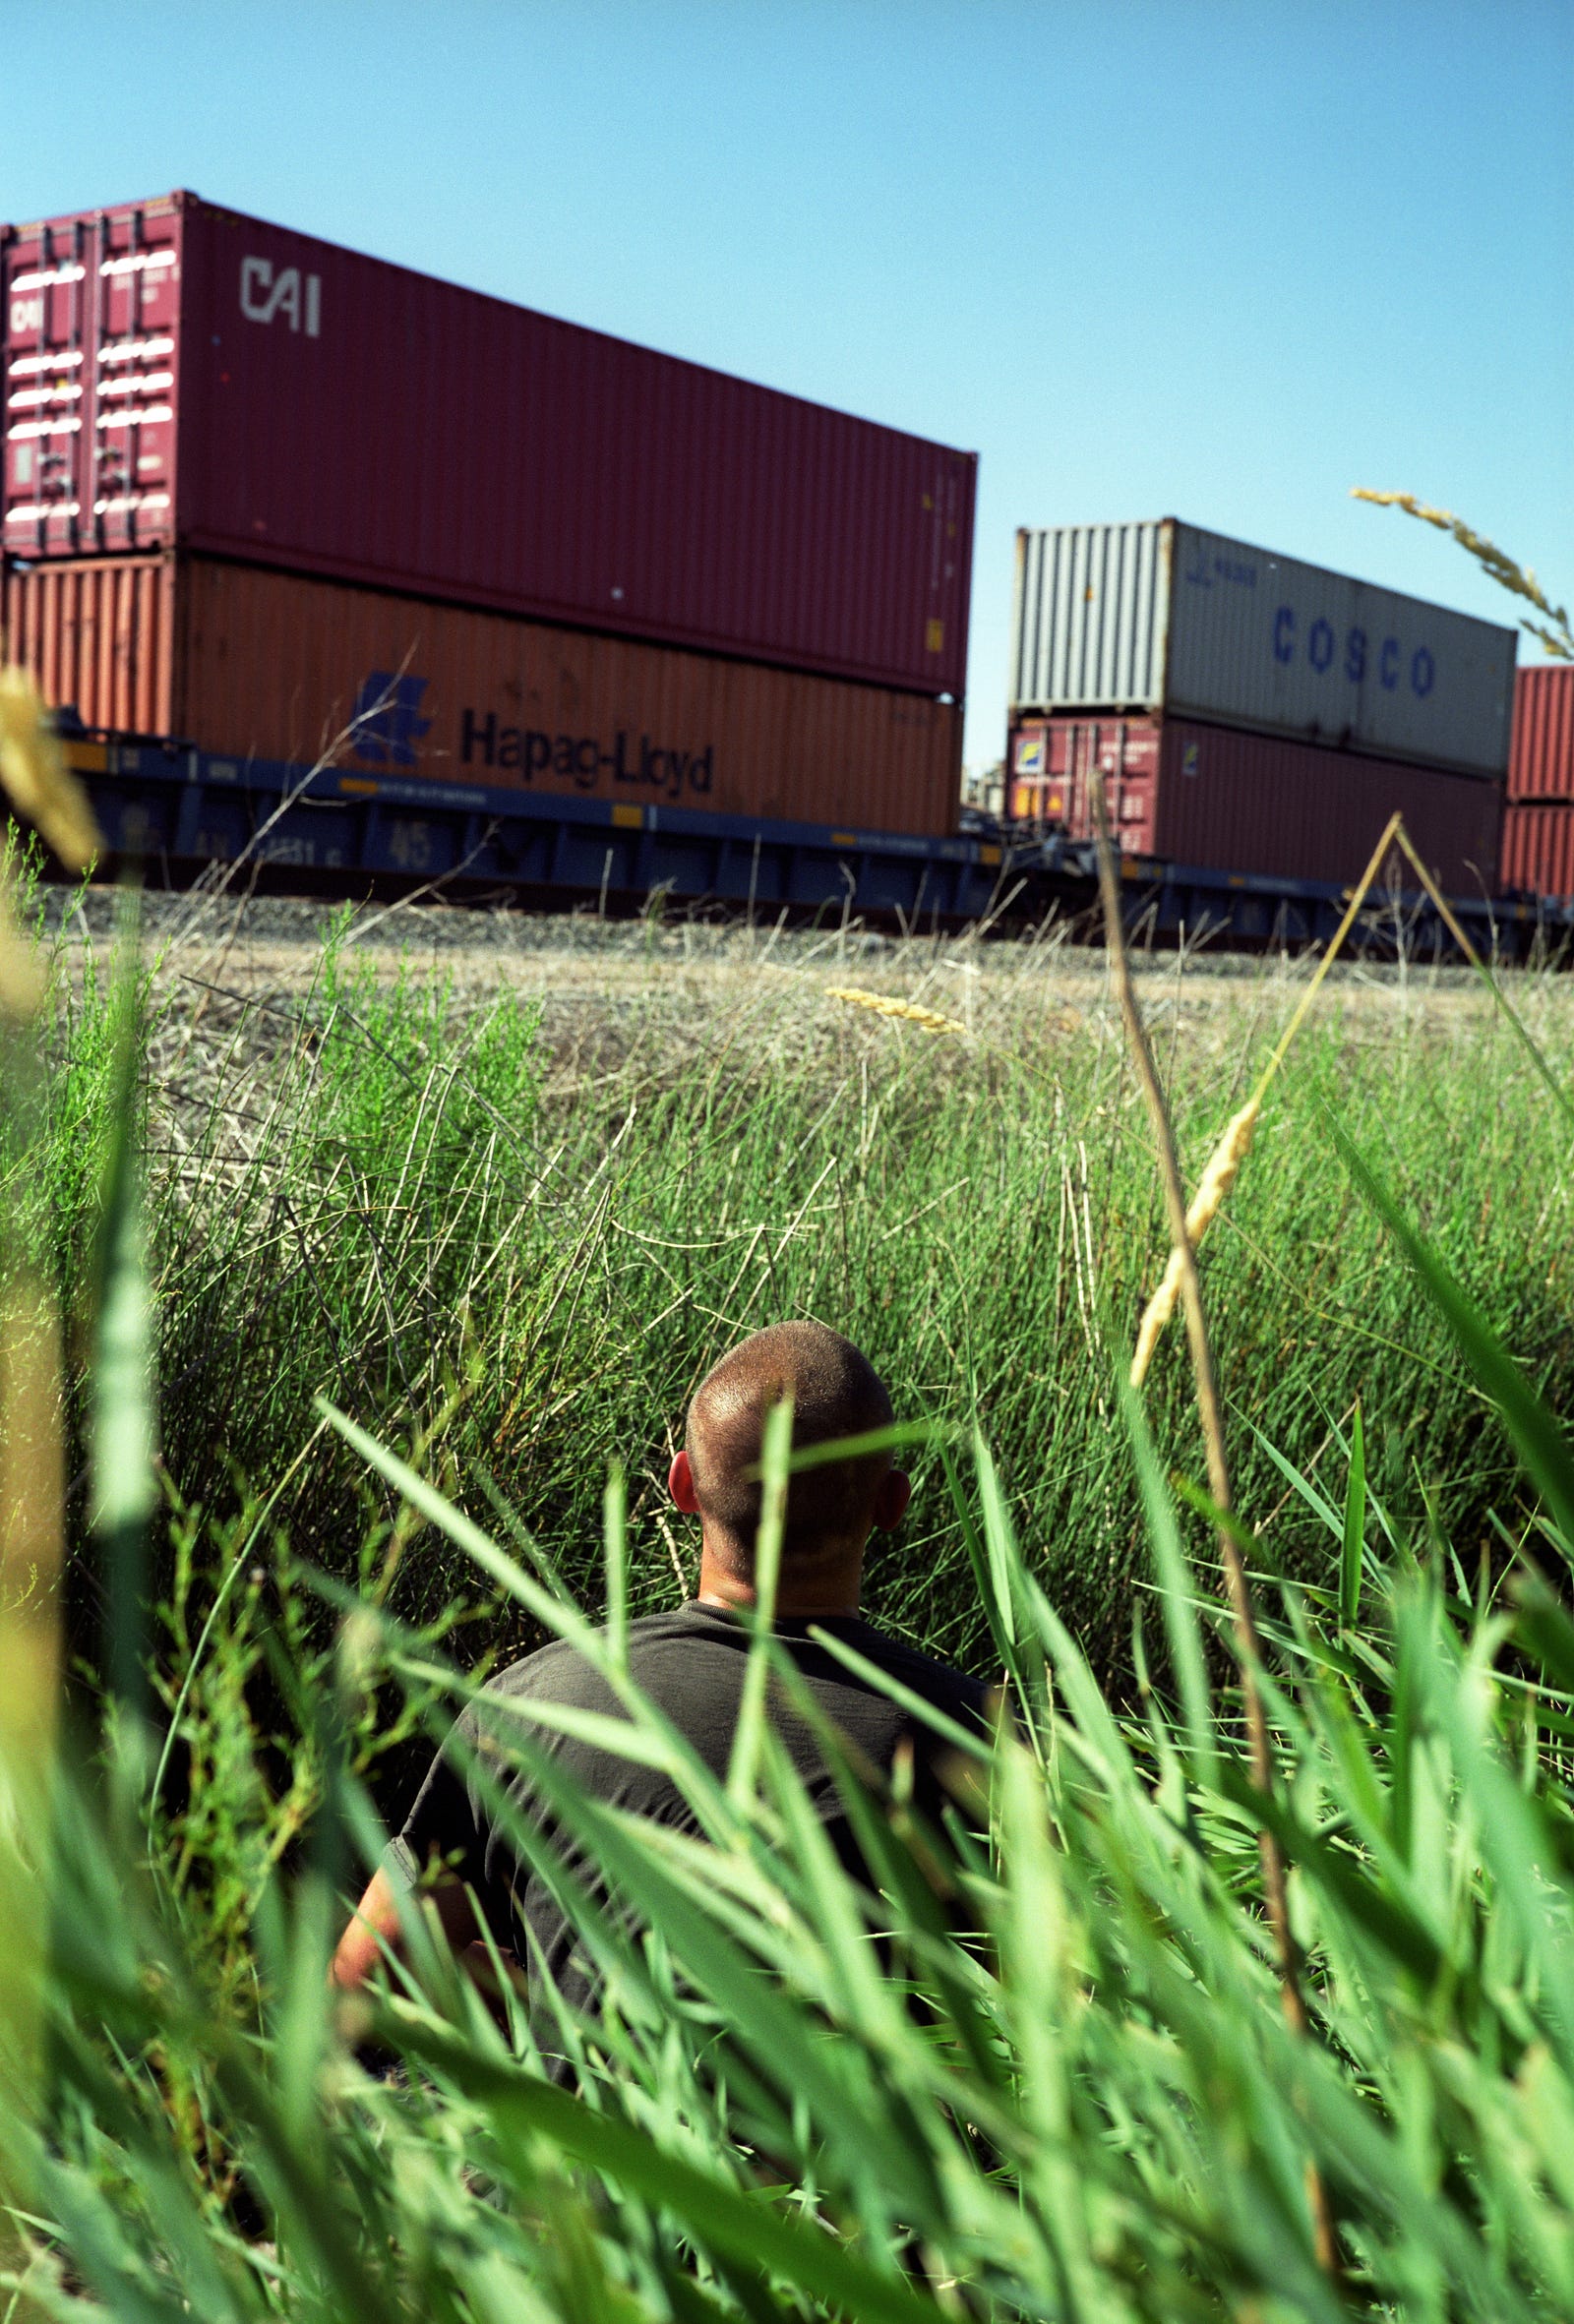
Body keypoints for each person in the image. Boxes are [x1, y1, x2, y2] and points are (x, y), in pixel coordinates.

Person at [331, 1321, 993, 2050]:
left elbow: (363, 1978)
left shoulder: (531, 1706)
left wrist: (535, 1998)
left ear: (682, 1485)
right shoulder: (986, 1739)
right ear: (892, 1504)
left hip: (585, 2129)